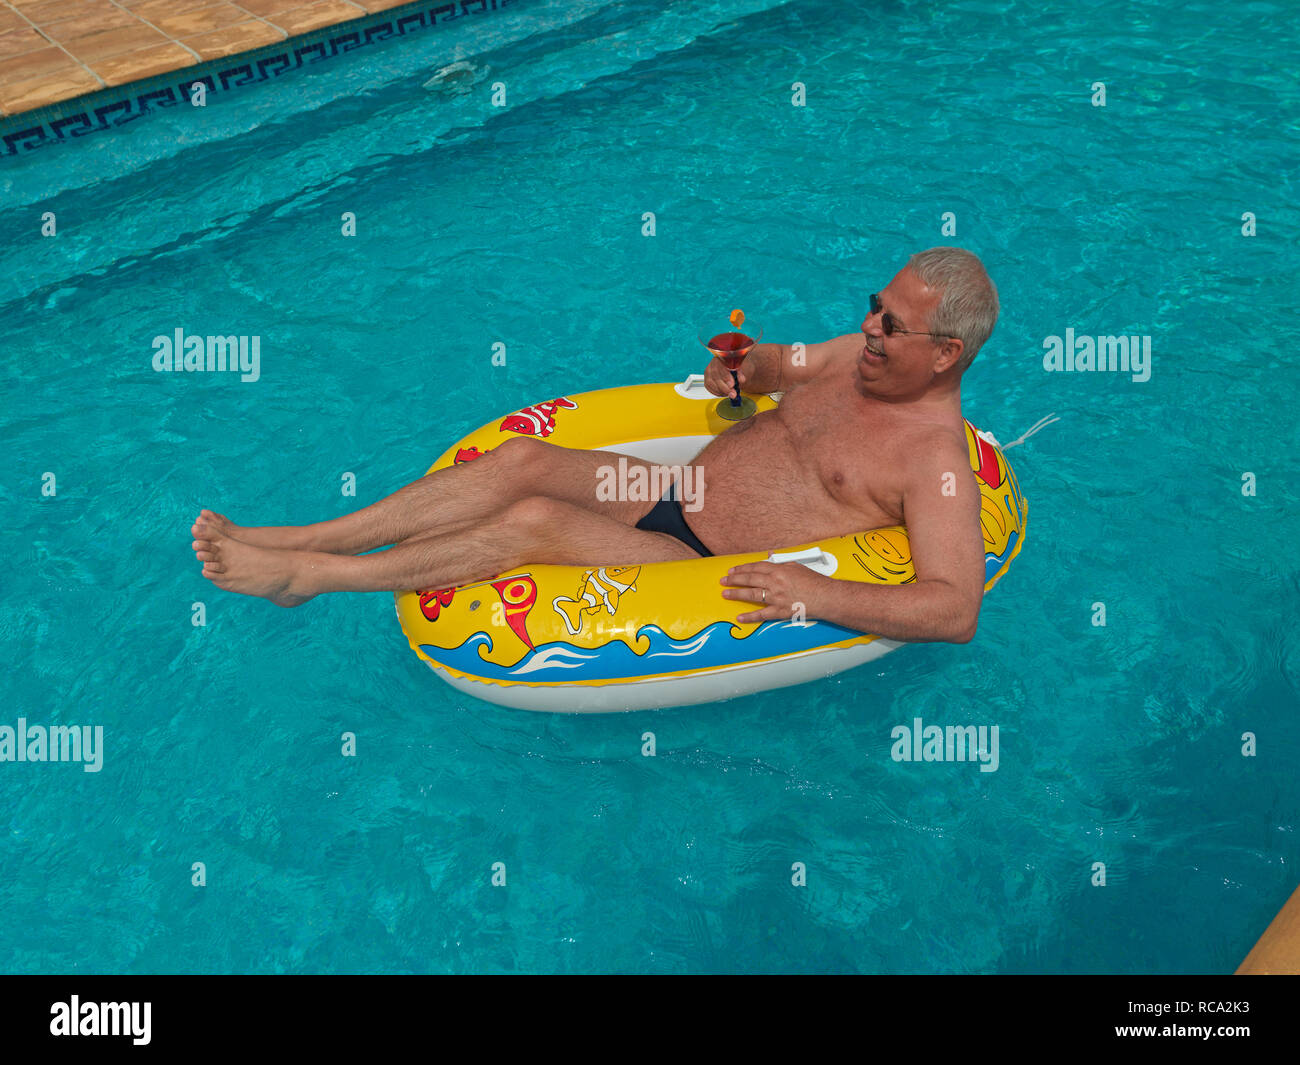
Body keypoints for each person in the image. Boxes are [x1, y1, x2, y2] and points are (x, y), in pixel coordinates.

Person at [191, 246, 997, 643]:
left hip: (697, 567)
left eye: (891, 323)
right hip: (670, 495)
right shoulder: (851, 360)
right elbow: (785, 363)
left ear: (945, 353)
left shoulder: (932, 463)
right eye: (872, 305)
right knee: (520, 462)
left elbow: (954, 606)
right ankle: (301, 534)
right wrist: (746, 370)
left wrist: (814, 593)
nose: (868, 326)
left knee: (533, 519)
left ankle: (313, 576)